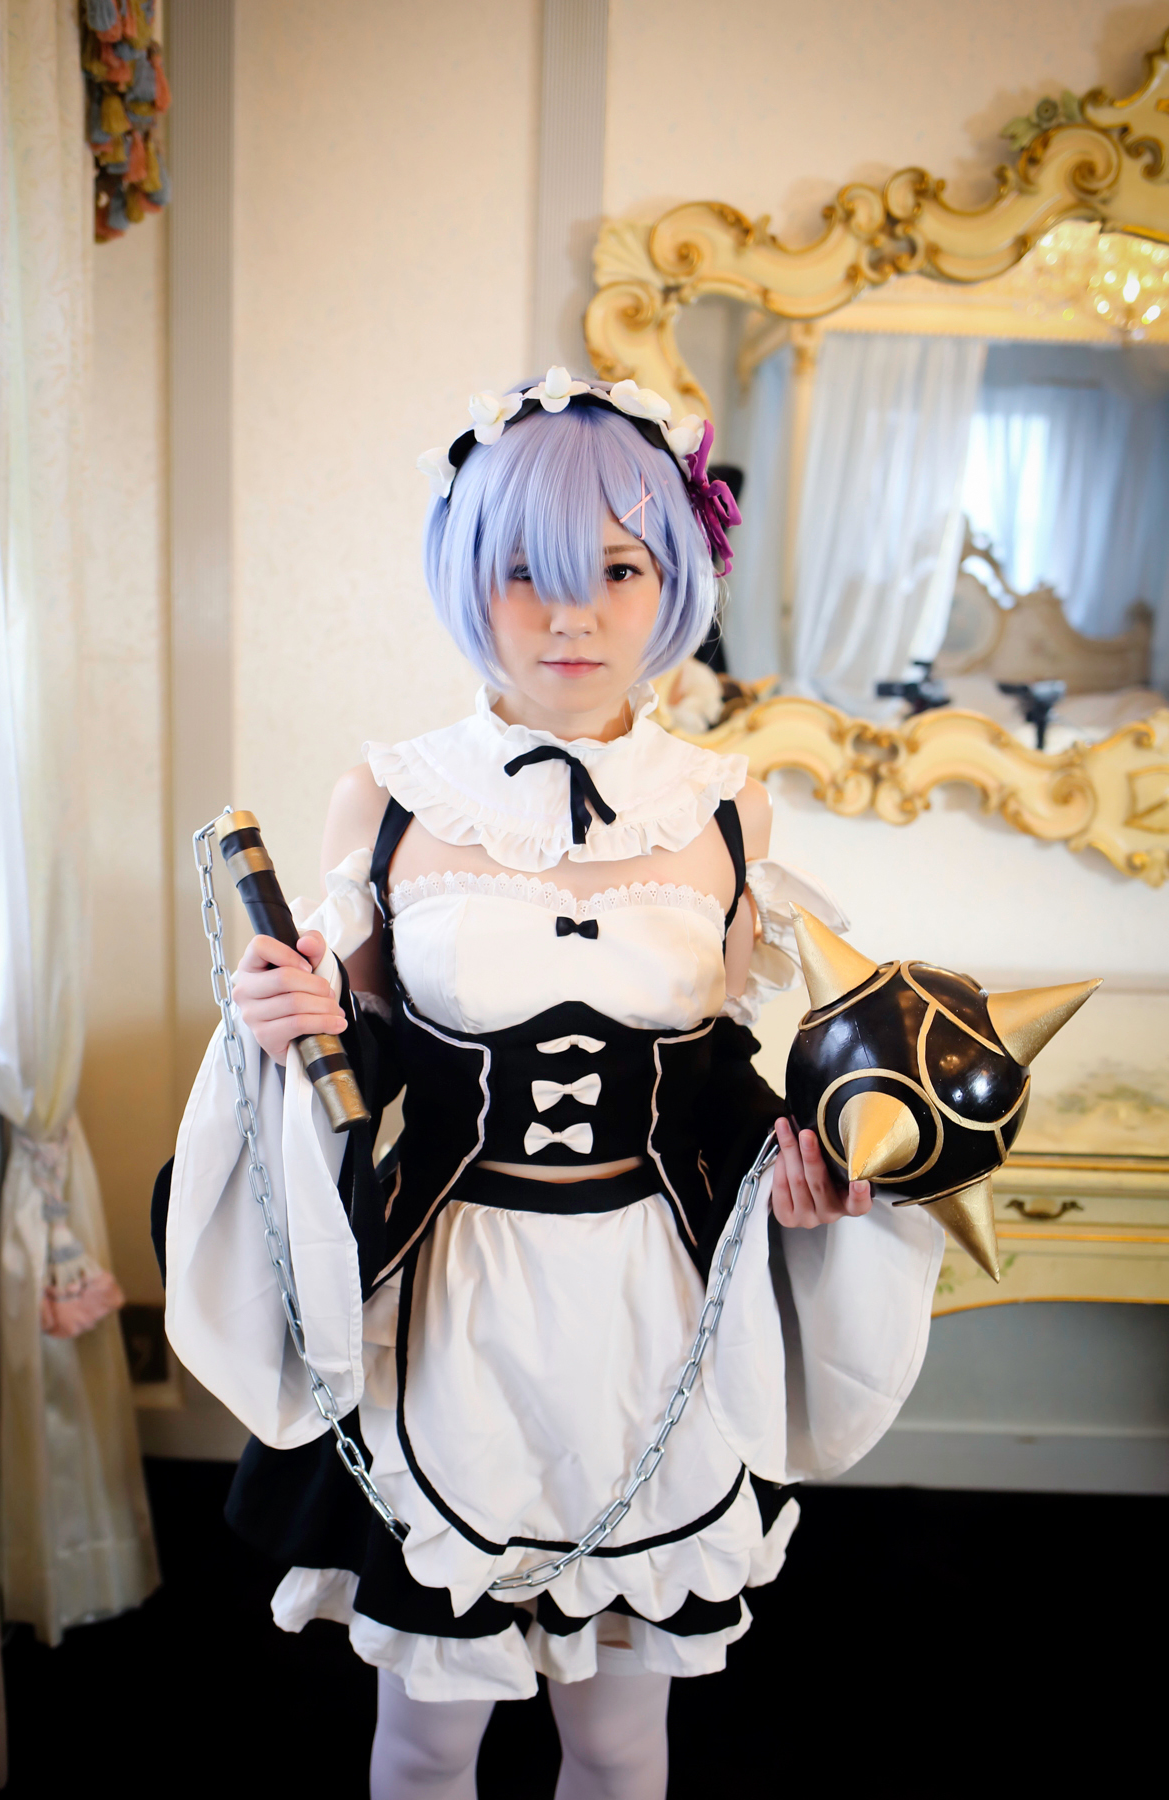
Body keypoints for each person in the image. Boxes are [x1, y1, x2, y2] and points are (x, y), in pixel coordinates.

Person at [161, 371, 943, 1798]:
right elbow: (364, 1064)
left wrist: (805, 1170)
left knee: (622, 1734)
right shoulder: (388, 796)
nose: (569, 614)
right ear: (466, 576)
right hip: (450, 1300)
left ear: (676, 577)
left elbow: (718, 1080)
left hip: (652, 1301)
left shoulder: (726, 803)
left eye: (616, 571)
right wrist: (293, 1021)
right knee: (426, 1738)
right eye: (524, 571)